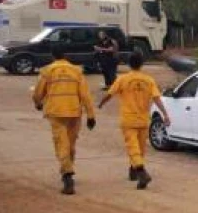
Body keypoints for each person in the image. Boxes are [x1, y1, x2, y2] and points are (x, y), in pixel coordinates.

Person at [97, 52, 170, 189]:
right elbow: (156, 98)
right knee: (140, 148)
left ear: (129, 64)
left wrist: (101, 103)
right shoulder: (149, 80)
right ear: (141, 64)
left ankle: (141, 172)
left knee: (133, 148)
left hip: (128, 119)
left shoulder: (123, 79)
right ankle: (133, 171)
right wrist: (165, 114)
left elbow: (110, 94)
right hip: (143, 120)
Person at [32, 43, 96, 195]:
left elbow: (38, 92)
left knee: (61, 144)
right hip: (74, 112)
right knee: (71, 144)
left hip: (56, 112)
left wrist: (38, 103)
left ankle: (67, 175)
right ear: (65, 55)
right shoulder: (77, 71)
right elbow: (85, 95)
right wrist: (91, 115)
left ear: (52, 55)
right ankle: (68, 169)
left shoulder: (47, 71)